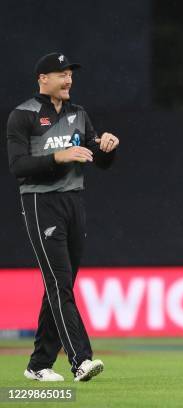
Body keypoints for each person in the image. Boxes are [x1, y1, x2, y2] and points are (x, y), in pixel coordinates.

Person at [6, 52, 119, 382]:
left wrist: (107, 149)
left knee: (61, 284)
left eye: (70, 73)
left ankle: (38, 364)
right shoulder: (23, 115)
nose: (68, 79)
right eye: (60, 73)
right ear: (43, 78)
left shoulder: (78, 114)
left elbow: (96, 157)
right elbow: (18, 166)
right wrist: (58, 155)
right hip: (42, 203)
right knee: (59, 283)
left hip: (73, 202)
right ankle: (81, 359)